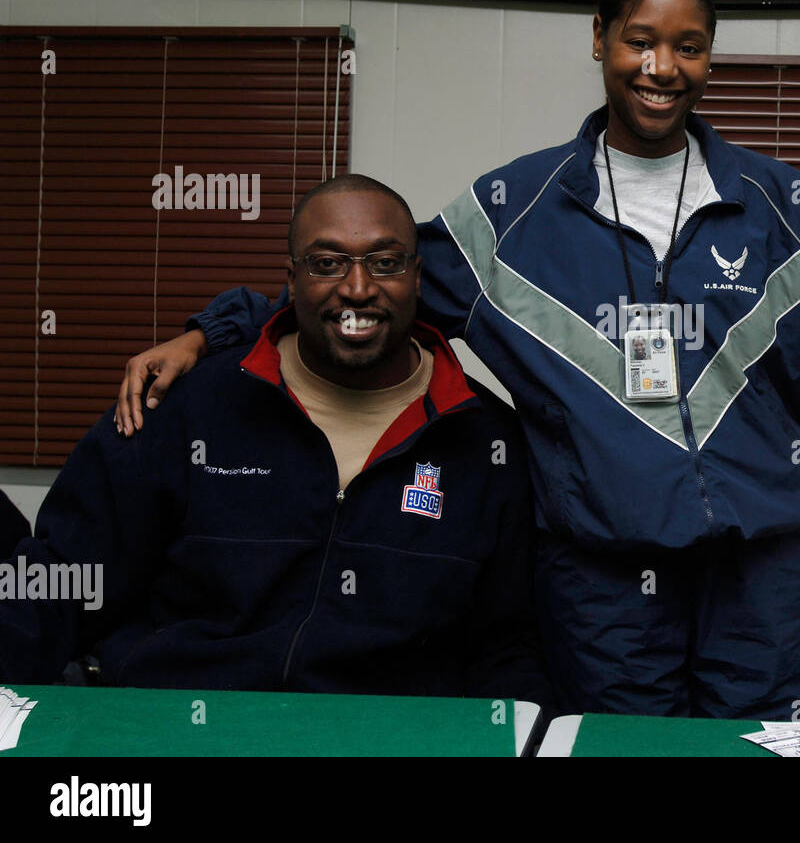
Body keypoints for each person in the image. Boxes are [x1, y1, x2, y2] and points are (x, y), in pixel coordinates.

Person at [112, 0, 800, 719]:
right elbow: (366, 283)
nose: (662, 67)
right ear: (599, 40)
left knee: (751, 752)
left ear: (710, 56)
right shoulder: (515, 209)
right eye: (639, 40)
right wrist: (214, 328)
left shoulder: (782, 206)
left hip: (759, 567)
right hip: (600, 572)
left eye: (690, 45)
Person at [0, 175, 551, 706]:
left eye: (385, 263)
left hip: (383, 738)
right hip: (177, 724)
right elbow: (62, 580)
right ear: (291, 281)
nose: (357, 288)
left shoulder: (486, 443)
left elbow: (507, 648)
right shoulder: (184, 407)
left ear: (417, 276)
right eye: (326, 264)